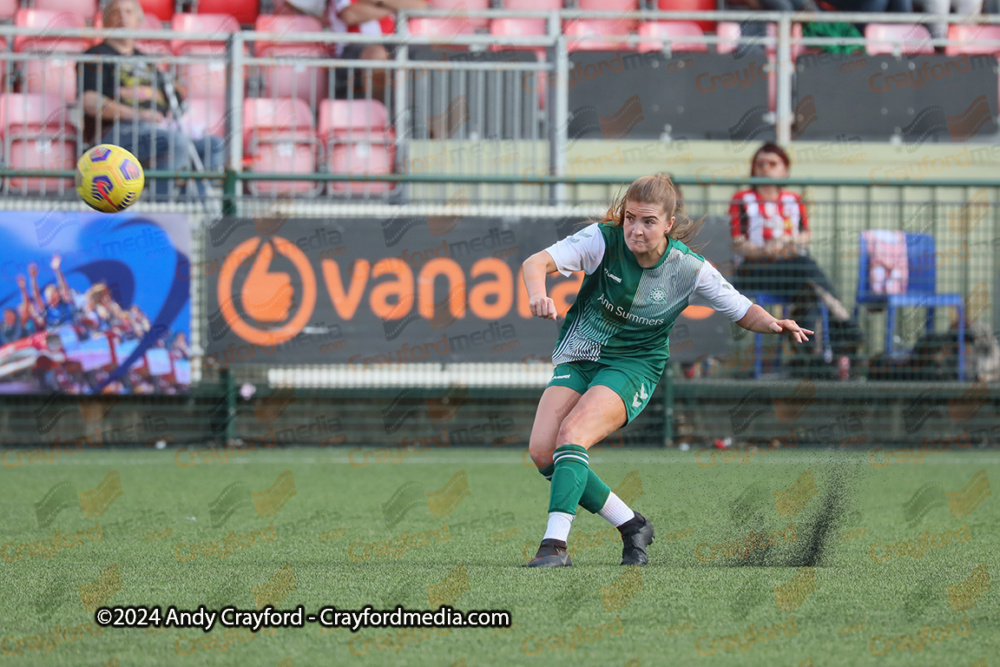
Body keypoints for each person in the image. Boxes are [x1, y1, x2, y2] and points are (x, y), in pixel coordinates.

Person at [520, 174, 814, 568]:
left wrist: (776, 323)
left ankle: (554, 546)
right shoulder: (602, 240)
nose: (636, 230)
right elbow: (535, 262)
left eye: (648, 222)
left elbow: (742, 310)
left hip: (633, 366)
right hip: (581, 353)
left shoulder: (689, 269)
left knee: (573, 435)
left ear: (669, 224)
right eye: (630, 218)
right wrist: (538, 294)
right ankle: (631, 525)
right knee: (543, 452)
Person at [729, 142, 863, 375]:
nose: (766, 168)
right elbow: (736, 242)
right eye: (760, 163)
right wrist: (765, 250)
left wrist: (784, 243)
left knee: (809, 291)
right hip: (756, 269)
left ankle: (810, 359)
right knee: (805, 267)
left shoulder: (792, 199)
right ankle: (845, 320)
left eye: (772, 163)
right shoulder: (742, 198)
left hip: (790, 271)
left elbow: (805, 236)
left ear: (785, 170)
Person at [81, 0, 224, 201]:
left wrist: (173, 91)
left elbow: (175, 103)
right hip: (115, 132)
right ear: (105, 21)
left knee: (215, 145)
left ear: (138, 21)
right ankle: (163, 208)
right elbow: (89, 102)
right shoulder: (95, 55)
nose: (122, 16)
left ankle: (191, 209)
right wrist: (139, 114)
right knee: (175, 142)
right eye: (116, 11)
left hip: (157, 130)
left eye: (129, 11)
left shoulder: (148, 62)